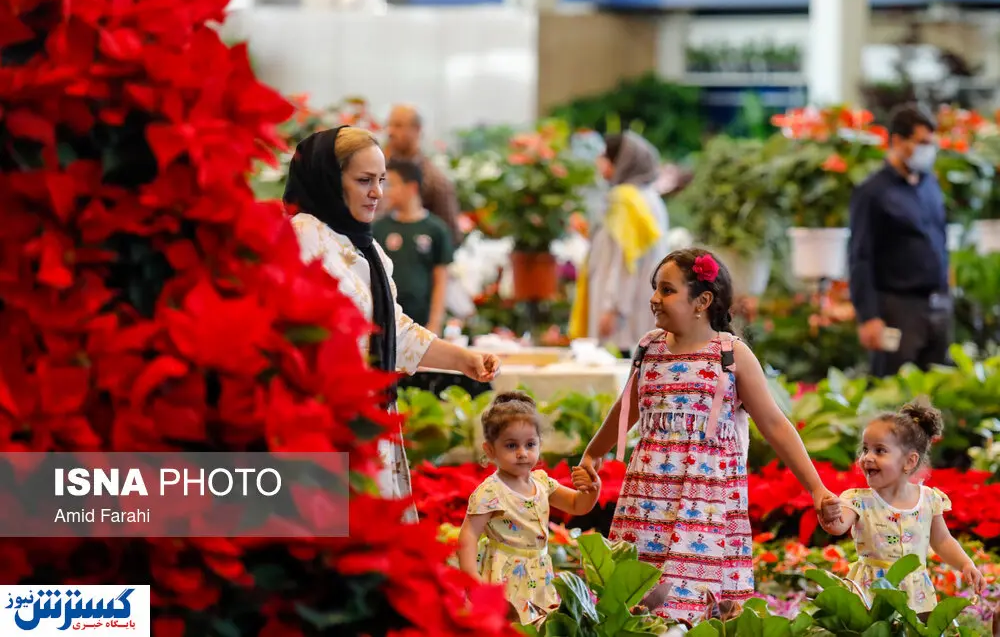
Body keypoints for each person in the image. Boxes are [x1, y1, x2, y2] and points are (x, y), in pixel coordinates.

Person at [571, 248, 841, 625]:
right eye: (655, 289)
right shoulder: (649, 349)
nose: (654, 299)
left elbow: (775, 425)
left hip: (705, 503)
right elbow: (627, 407)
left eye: (666, 290)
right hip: (647, 498)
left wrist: (817, 489)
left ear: (703, 300)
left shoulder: (730, 355)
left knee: (694, 600)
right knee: (639, 596)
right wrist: (592, 453)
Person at [284, 126, 500, 520]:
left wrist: (462, 359)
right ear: (330, 181)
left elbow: (391, 333)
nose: (377, 192)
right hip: (321, 424)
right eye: (364, 180)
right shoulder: (301, 237)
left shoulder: (367, 248)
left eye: (381, 180)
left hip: (369, 417)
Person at [819, 401, 985, 615]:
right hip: (871, 593)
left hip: (915, 594)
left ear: (909, 461)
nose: (867, 457)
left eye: (880, 450)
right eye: (865, 449)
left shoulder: (928, 500)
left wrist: (966, 564)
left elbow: (942, 541)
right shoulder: (858, 500)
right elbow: (839, 526)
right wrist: (830, 516)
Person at [457, 392, 600, 625]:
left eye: (530, 444)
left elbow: (577, 505)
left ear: (539, 445)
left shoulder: (542, 482)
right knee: (509, 624)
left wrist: (592, 488)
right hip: (505, 572)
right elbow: (469, 534)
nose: (522, 453)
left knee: (541, 624)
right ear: (490, 450)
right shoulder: (491, 492)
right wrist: (471, 578)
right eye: (511, 445)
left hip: (539, 571)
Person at [848, 103, 952, 378]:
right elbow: (860, 257)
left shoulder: (930, 185)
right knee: (895, 396)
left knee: (937, 394)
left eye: (931, 143)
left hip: (936, 305)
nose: (927, 150)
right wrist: (868, 316)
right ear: (896, 141)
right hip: (897, 308)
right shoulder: (872, 192)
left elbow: (939, 237)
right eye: (921, 143)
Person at [569, 131, 671, 356]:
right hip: (639, 306)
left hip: (622, 316)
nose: (599, 162)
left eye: (605, 156)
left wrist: (613, 308)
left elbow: (625, 260)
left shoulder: (625, 200)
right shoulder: (649, 197)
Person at [374, 159, 453, 336]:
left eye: (391, 185)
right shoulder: (378, 228)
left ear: (412, 188)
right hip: (387, 324)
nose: (385, 192)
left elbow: (441, 280)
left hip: (422, 323)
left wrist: (435, 323)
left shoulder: (436, 229)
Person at [384, 104, 463, 247]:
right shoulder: (376, 169)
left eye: (398, 126)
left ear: (417, 130)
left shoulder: (435, 181)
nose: (390, 131)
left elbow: (450, 237)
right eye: (389, 125)